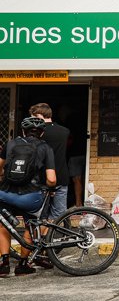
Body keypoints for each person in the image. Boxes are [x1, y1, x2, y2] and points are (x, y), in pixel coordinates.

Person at [0, 116, 57, 277]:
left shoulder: (10, 144)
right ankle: (23, 264)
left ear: (23, 131)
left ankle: (4, 263)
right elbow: (51, 179)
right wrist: (50, 187)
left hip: (5, 193)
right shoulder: (46, 148)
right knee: (31, 225)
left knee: (3, 225)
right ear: (42, 133)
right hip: (30, 197)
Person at [30, 103, 70, 222]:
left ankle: (43, 238)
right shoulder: (64, 131)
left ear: (39, 115)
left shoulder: (37, 133)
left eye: (32, 117)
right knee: (59, 215)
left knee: (40, 214)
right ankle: (57, 238)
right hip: (61, 177)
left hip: (42, 178)